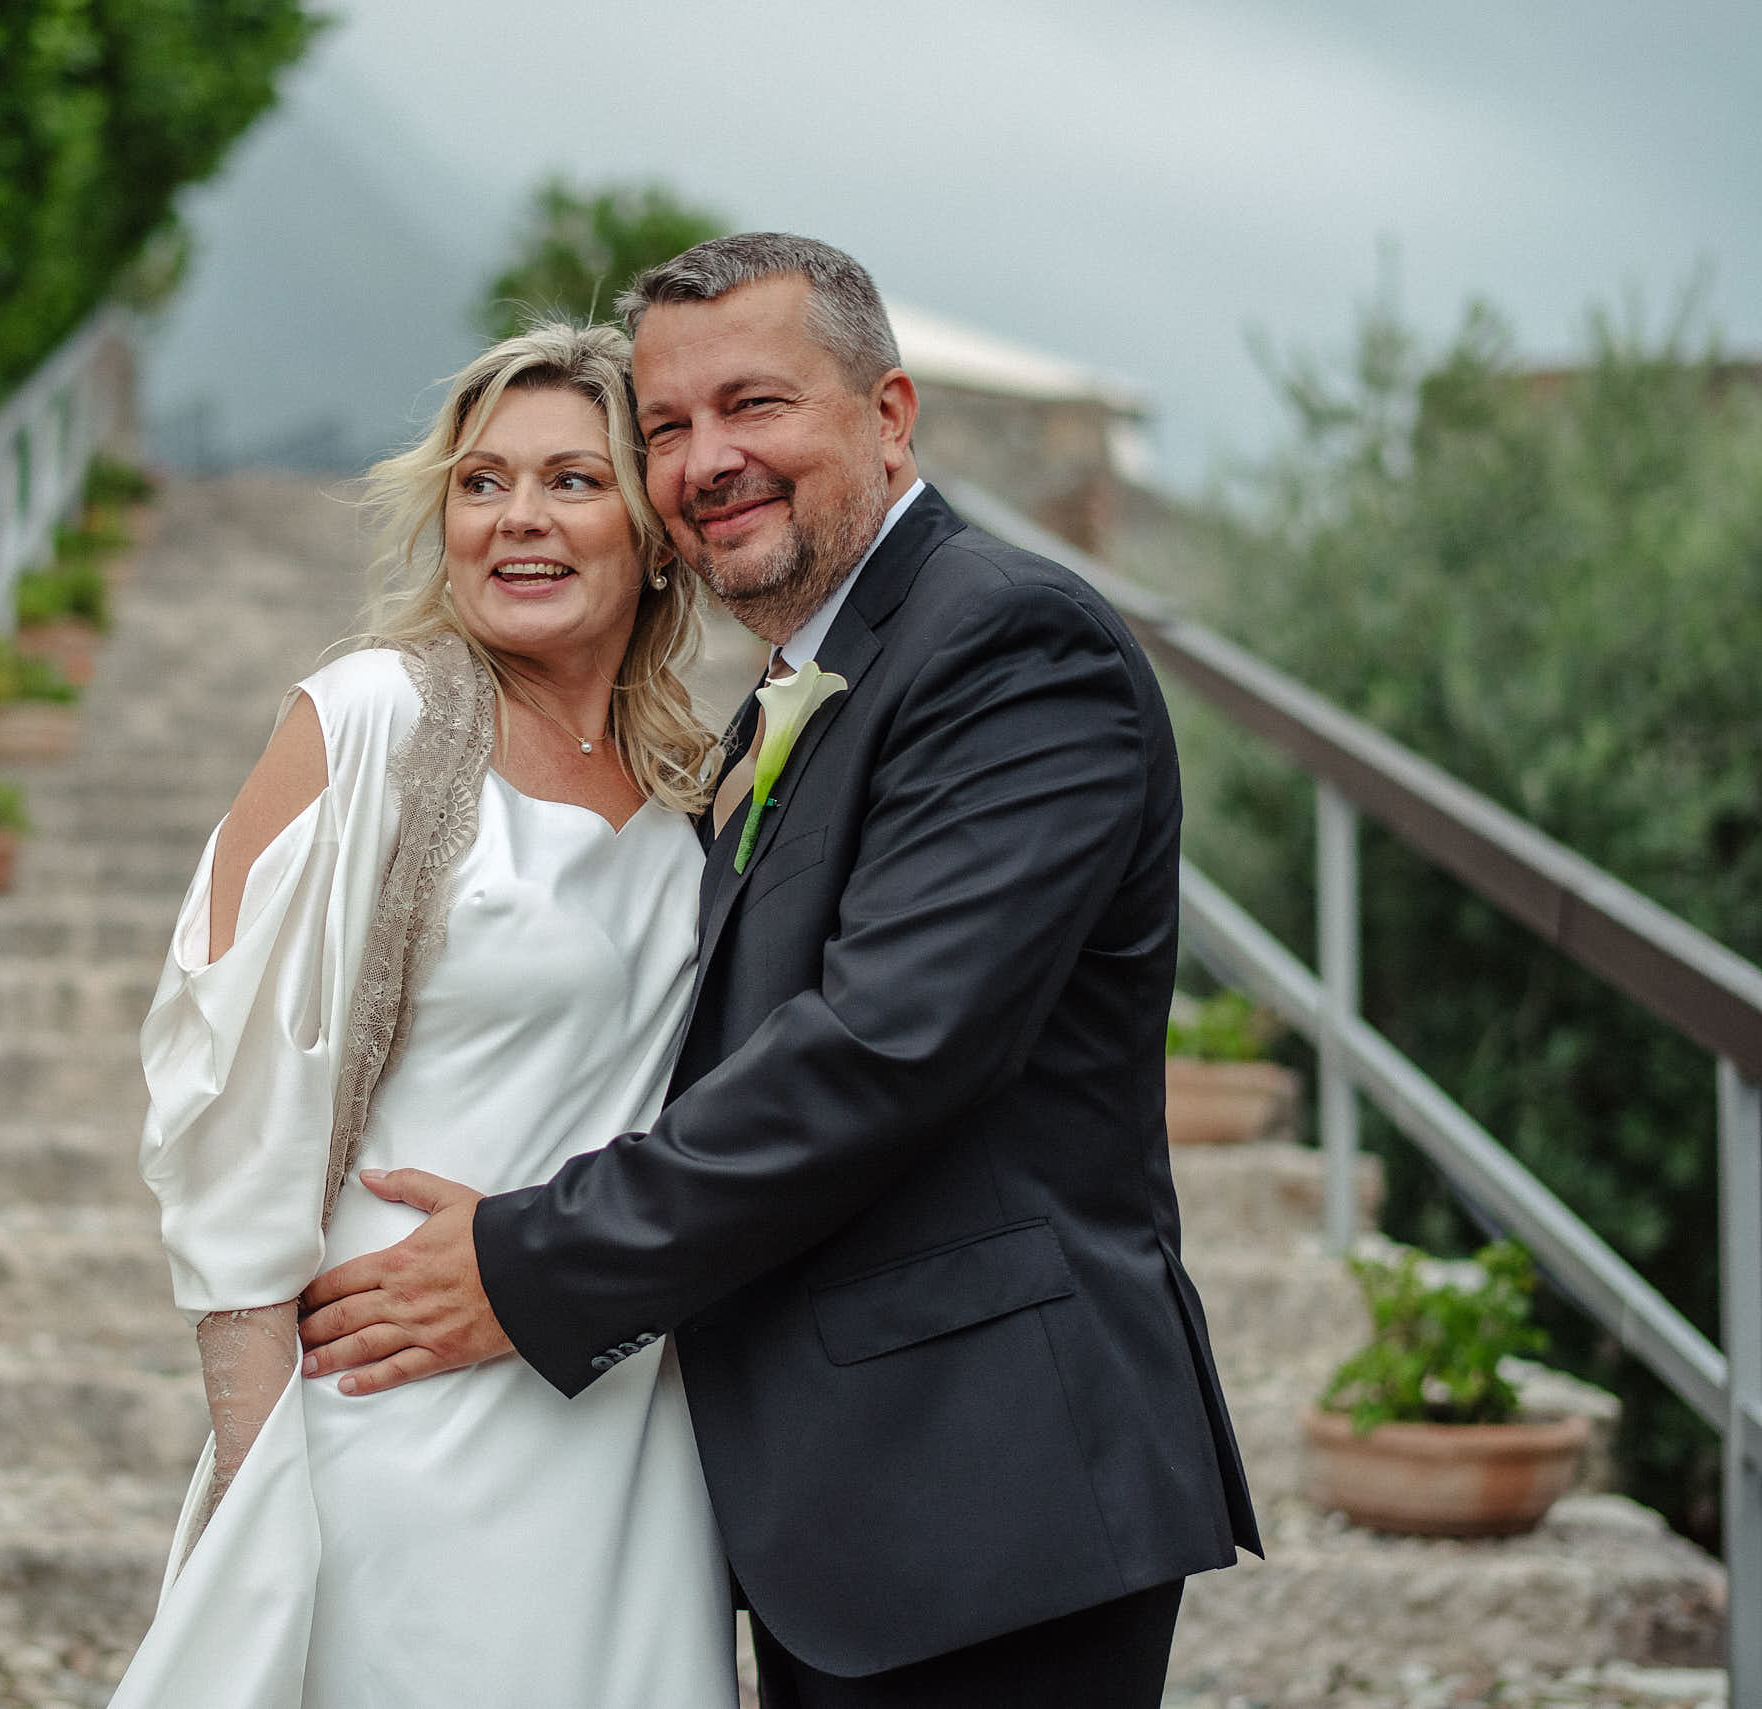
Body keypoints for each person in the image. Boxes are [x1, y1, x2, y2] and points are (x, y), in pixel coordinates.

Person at [299, 233, 1262, 1709]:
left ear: (888, 416)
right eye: (669, 427)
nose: (706, 460)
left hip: (986, 1490)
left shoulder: (1010, 643)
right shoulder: (795, 683)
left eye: (755, 405)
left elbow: (884, 1049)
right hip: (844, 1492)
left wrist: (527, 1259)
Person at [111, 322, 739, 1708]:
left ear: (656, 531)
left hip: (621, 1422)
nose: (518, 517)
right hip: (389, 1414)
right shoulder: (369, 721)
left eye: (574, 479)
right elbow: (231, 1116)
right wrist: (262, 1481)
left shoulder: (706, 797)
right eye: (481, 481)